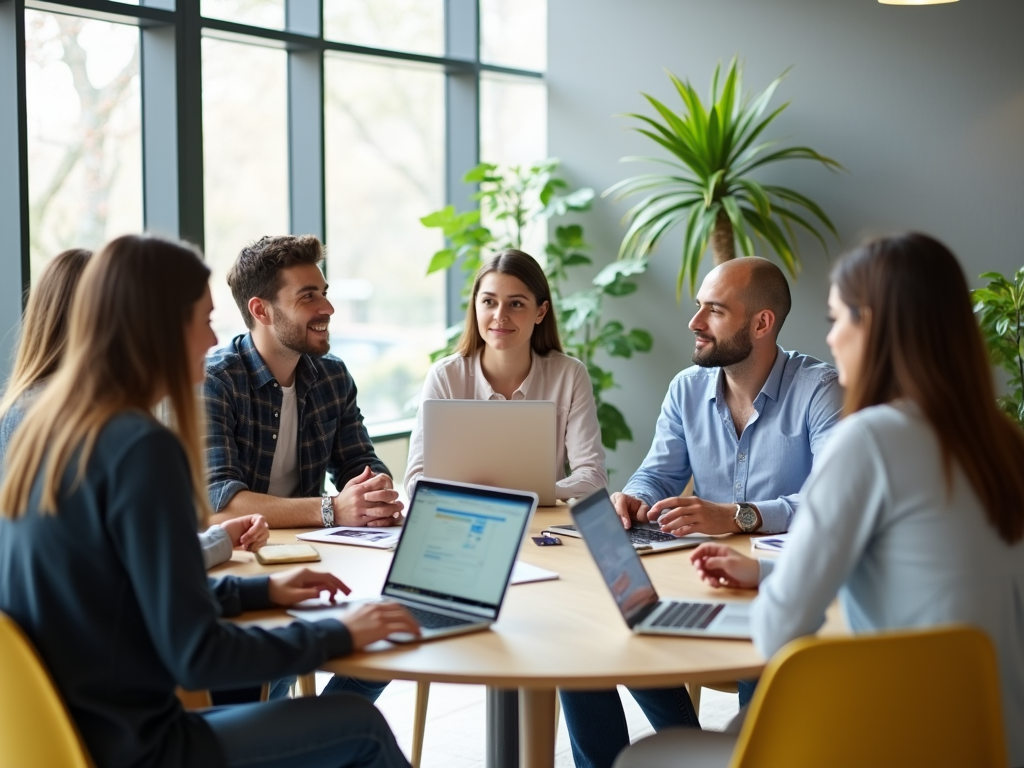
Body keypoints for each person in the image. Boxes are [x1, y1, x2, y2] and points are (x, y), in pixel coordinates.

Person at [0, 234, 421, 768]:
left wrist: (261, 592)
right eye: (203, 319)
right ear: (156, 327)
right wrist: (336, 632)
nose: (212, 338)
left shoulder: (55, 432)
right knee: (360, 725)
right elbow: (197, 656)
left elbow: (127, 594)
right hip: (138, 746)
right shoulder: (139, 448)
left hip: (71, 731)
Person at [620, 232, 1024, 767]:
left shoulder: (872, 438)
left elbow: (779, 629)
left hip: (885, 740)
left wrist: (732, 604)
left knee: (647, 757)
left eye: (838, 320)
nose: (831, 340)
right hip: (988, 737)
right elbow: (914, 568)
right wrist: (765, 575)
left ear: (875, 325)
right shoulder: (1003, 441)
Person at [559, 256, 844, 768]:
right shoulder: (686, 389)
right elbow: (657, 474)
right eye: (698, 308)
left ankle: (747, 755)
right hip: (695, 572)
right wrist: (633, 496)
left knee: (762, 666)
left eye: (714, 311)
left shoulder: (819, 390)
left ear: (761, 323)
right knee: (584, 634)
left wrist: (738, 515)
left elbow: (835, 503)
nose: (694, 323)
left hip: (775, 585)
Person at [0, 248, 268, 568]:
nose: (213, 340)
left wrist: (221, 543)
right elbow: (145, 574)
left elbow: (121, 562)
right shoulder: (119, 435)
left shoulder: (31, 409)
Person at [205, 234, 403, 531]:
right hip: (241, 556)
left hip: (310, 548)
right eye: (308, 296)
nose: (328, 308)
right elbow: (221, 505)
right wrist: (332, 509)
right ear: (261, 310)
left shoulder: (332, 375)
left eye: (324, 292)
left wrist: (374, 491)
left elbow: (358, 461)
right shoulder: (214, 383)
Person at [404, 248, 607, 499]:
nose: (500, 316)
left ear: (540, 312)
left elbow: (593, 475)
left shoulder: (570, 374)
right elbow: (416, 479)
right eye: (489, 302)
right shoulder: (445, 376)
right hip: (462, 516)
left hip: (541, 522)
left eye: (516, 304)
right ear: (476, 305)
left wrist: (534, 494)